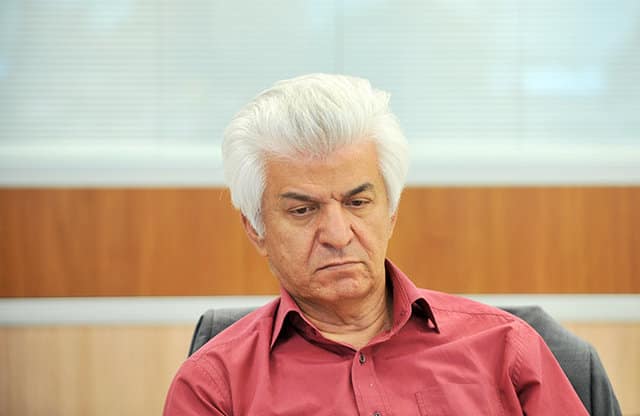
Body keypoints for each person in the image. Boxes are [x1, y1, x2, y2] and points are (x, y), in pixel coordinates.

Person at [164, 74, 588, 415]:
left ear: (391, 214)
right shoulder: (213, 388)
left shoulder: (506, 348)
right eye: (303, 210)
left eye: (358, 203)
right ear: (256, 230)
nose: (337, 235)